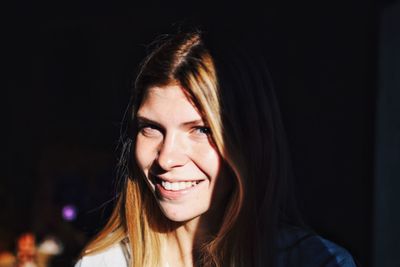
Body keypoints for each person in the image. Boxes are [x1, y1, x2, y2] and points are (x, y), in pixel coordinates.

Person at [75, 31, 357, 267]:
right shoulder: (104, 263)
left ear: (249, 141)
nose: (166, 158)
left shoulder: (316, 261)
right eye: (151, 128)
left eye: (201, 130)